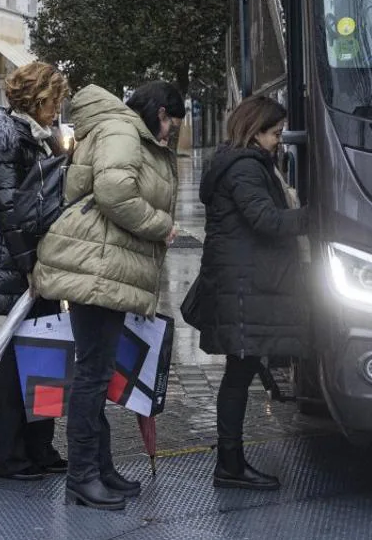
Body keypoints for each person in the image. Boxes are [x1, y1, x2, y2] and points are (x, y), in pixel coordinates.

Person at [32, 81, 181, 511]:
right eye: (172, 119)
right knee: (92, 375)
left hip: (102, 265)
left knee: (96, 372)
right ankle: (82, 478)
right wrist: (160, 225)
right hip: (95, 267)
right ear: (159, 111)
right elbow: (116, 193)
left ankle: (100, 468)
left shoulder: (120, 128)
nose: (171, 130)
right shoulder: (121, 131)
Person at [182, 96, 311, 492]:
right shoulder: (245, 169)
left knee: (238, 374)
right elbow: (266, 220)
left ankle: (231, 463)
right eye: (274, 133)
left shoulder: (240, 164)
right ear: (255, 131)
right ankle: (230, 465)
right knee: (237, 376)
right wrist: (321, 215)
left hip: (241, 284)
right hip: (242, 288)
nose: (278, 141)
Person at [0, 61, 71, 480]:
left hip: (36, 259)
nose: (58, 108)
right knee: (19, 361)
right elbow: (11, 210)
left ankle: (39, 446)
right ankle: (7, 456)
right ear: (39, 98)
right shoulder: (10, 140)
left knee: (45, 351)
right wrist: (30, 265)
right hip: (19, 264)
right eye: (55, 100)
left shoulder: (41, 136)